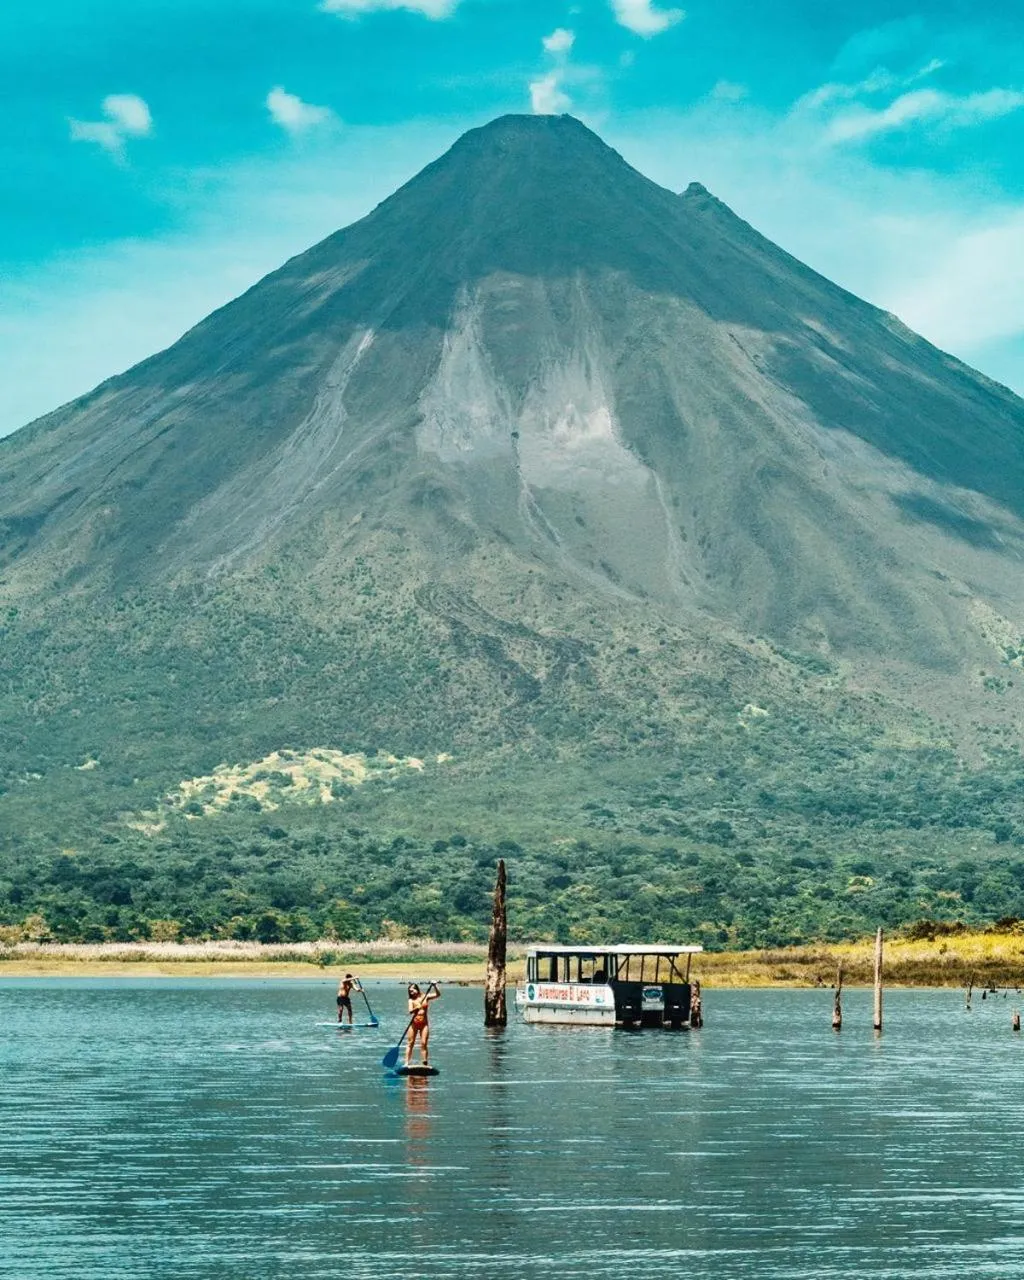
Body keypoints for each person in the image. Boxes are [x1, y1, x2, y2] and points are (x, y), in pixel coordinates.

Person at [405, 981, 441, 1067]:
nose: (411, 992)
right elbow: (410, 1011)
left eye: (412, 990)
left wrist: (435, 986)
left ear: (417, 989)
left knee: (424, 1043)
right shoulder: (411, 1000)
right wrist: (416, 1008)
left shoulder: (425, 997)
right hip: (414, 1023)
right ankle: (406, 1063)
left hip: (424, 1024)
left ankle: (425, 1062)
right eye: (410, 991)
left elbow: (438, 995)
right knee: (411, 1043)